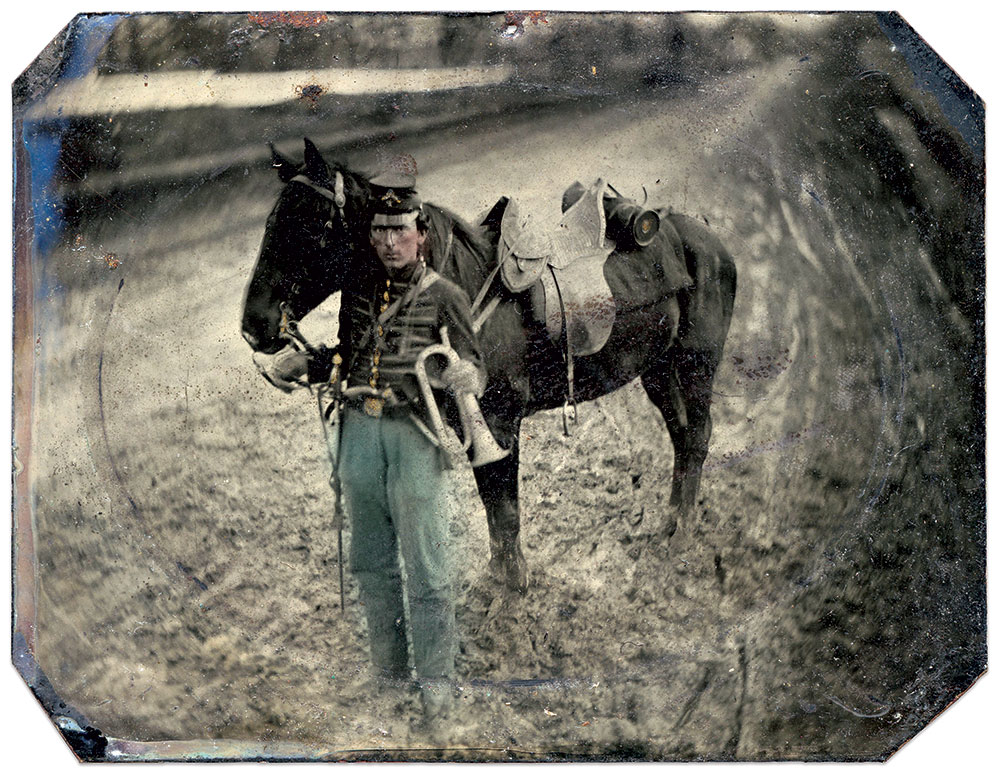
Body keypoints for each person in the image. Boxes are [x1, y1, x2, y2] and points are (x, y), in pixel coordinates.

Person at [273, 170, 486, 723]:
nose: (391, 242)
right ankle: (389, 677)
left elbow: (475, 368)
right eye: (381, 232)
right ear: (371, 237)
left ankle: (436, 687)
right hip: (358, 435)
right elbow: (347, 352)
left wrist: (466, 377)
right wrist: (307, 362)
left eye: (402, 231)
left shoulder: (448, 296)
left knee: (428, 568)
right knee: (371, 564)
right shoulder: (360, 291)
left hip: (415, 438)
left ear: (423, 235)